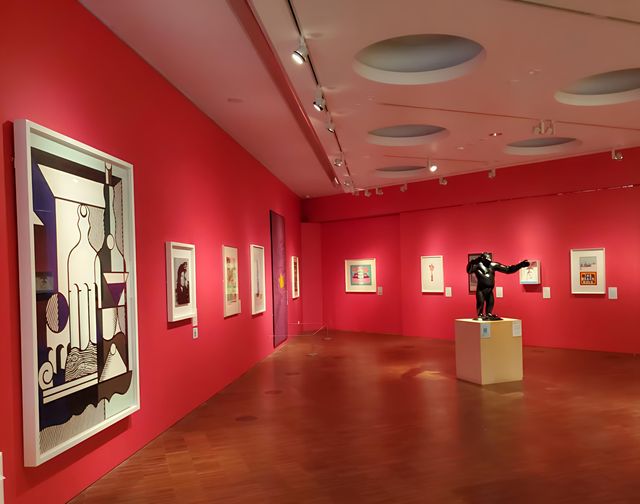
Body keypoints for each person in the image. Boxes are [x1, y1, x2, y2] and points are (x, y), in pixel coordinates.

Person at [466, 252, 529, 320]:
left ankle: (488, 314)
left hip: (490, 290)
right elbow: (469, 271)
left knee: (490, 303)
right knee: (480, 303)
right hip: (481, 289)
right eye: (487, 258)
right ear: (482, 258)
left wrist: (520, 265)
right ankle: (480, 315)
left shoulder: (493, 265)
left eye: (489, 258)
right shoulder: (477, 265)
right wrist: (472, 262)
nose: (489, 260)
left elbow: (508, 269)